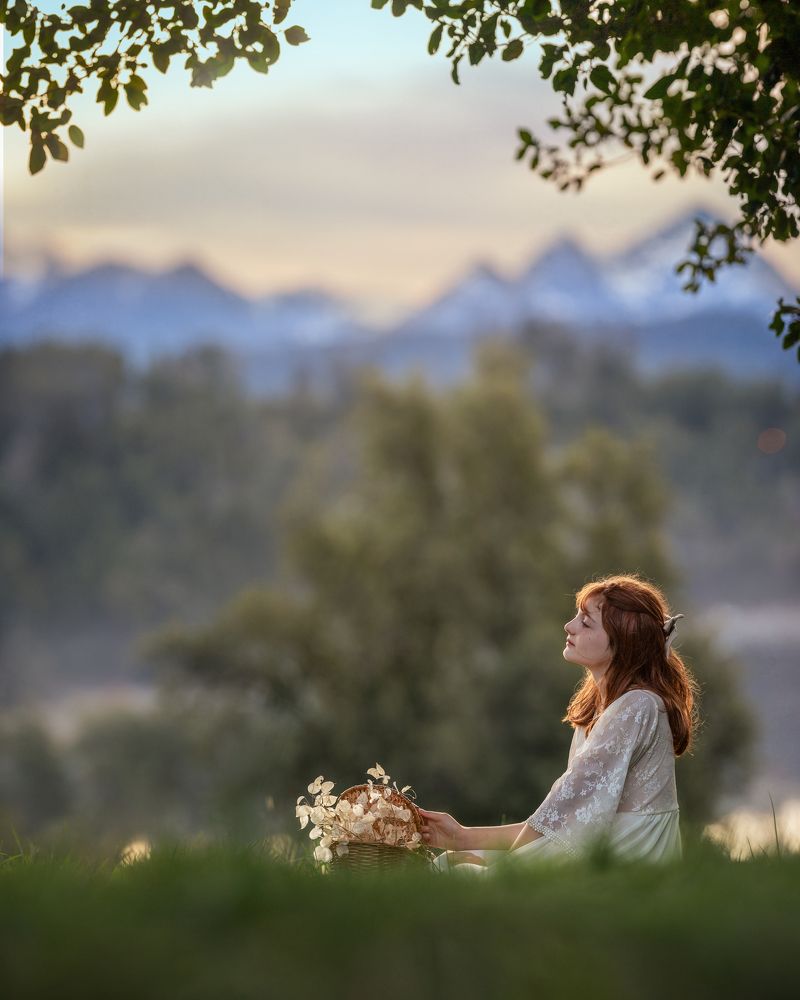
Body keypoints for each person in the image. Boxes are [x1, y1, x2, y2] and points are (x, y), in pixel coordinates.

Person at [418, 574, 699, 873]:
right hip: (606, 852)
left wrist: (491, 859)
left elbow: (561, 814)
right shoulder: (599, 708)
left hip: (629, 864)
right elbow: (557, 819)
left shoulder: (637, 706)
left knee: (454, 871)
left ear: (623, 642)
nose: (569, 626)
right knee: (453, 863)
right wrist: (461, 837)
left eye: (586, 622)